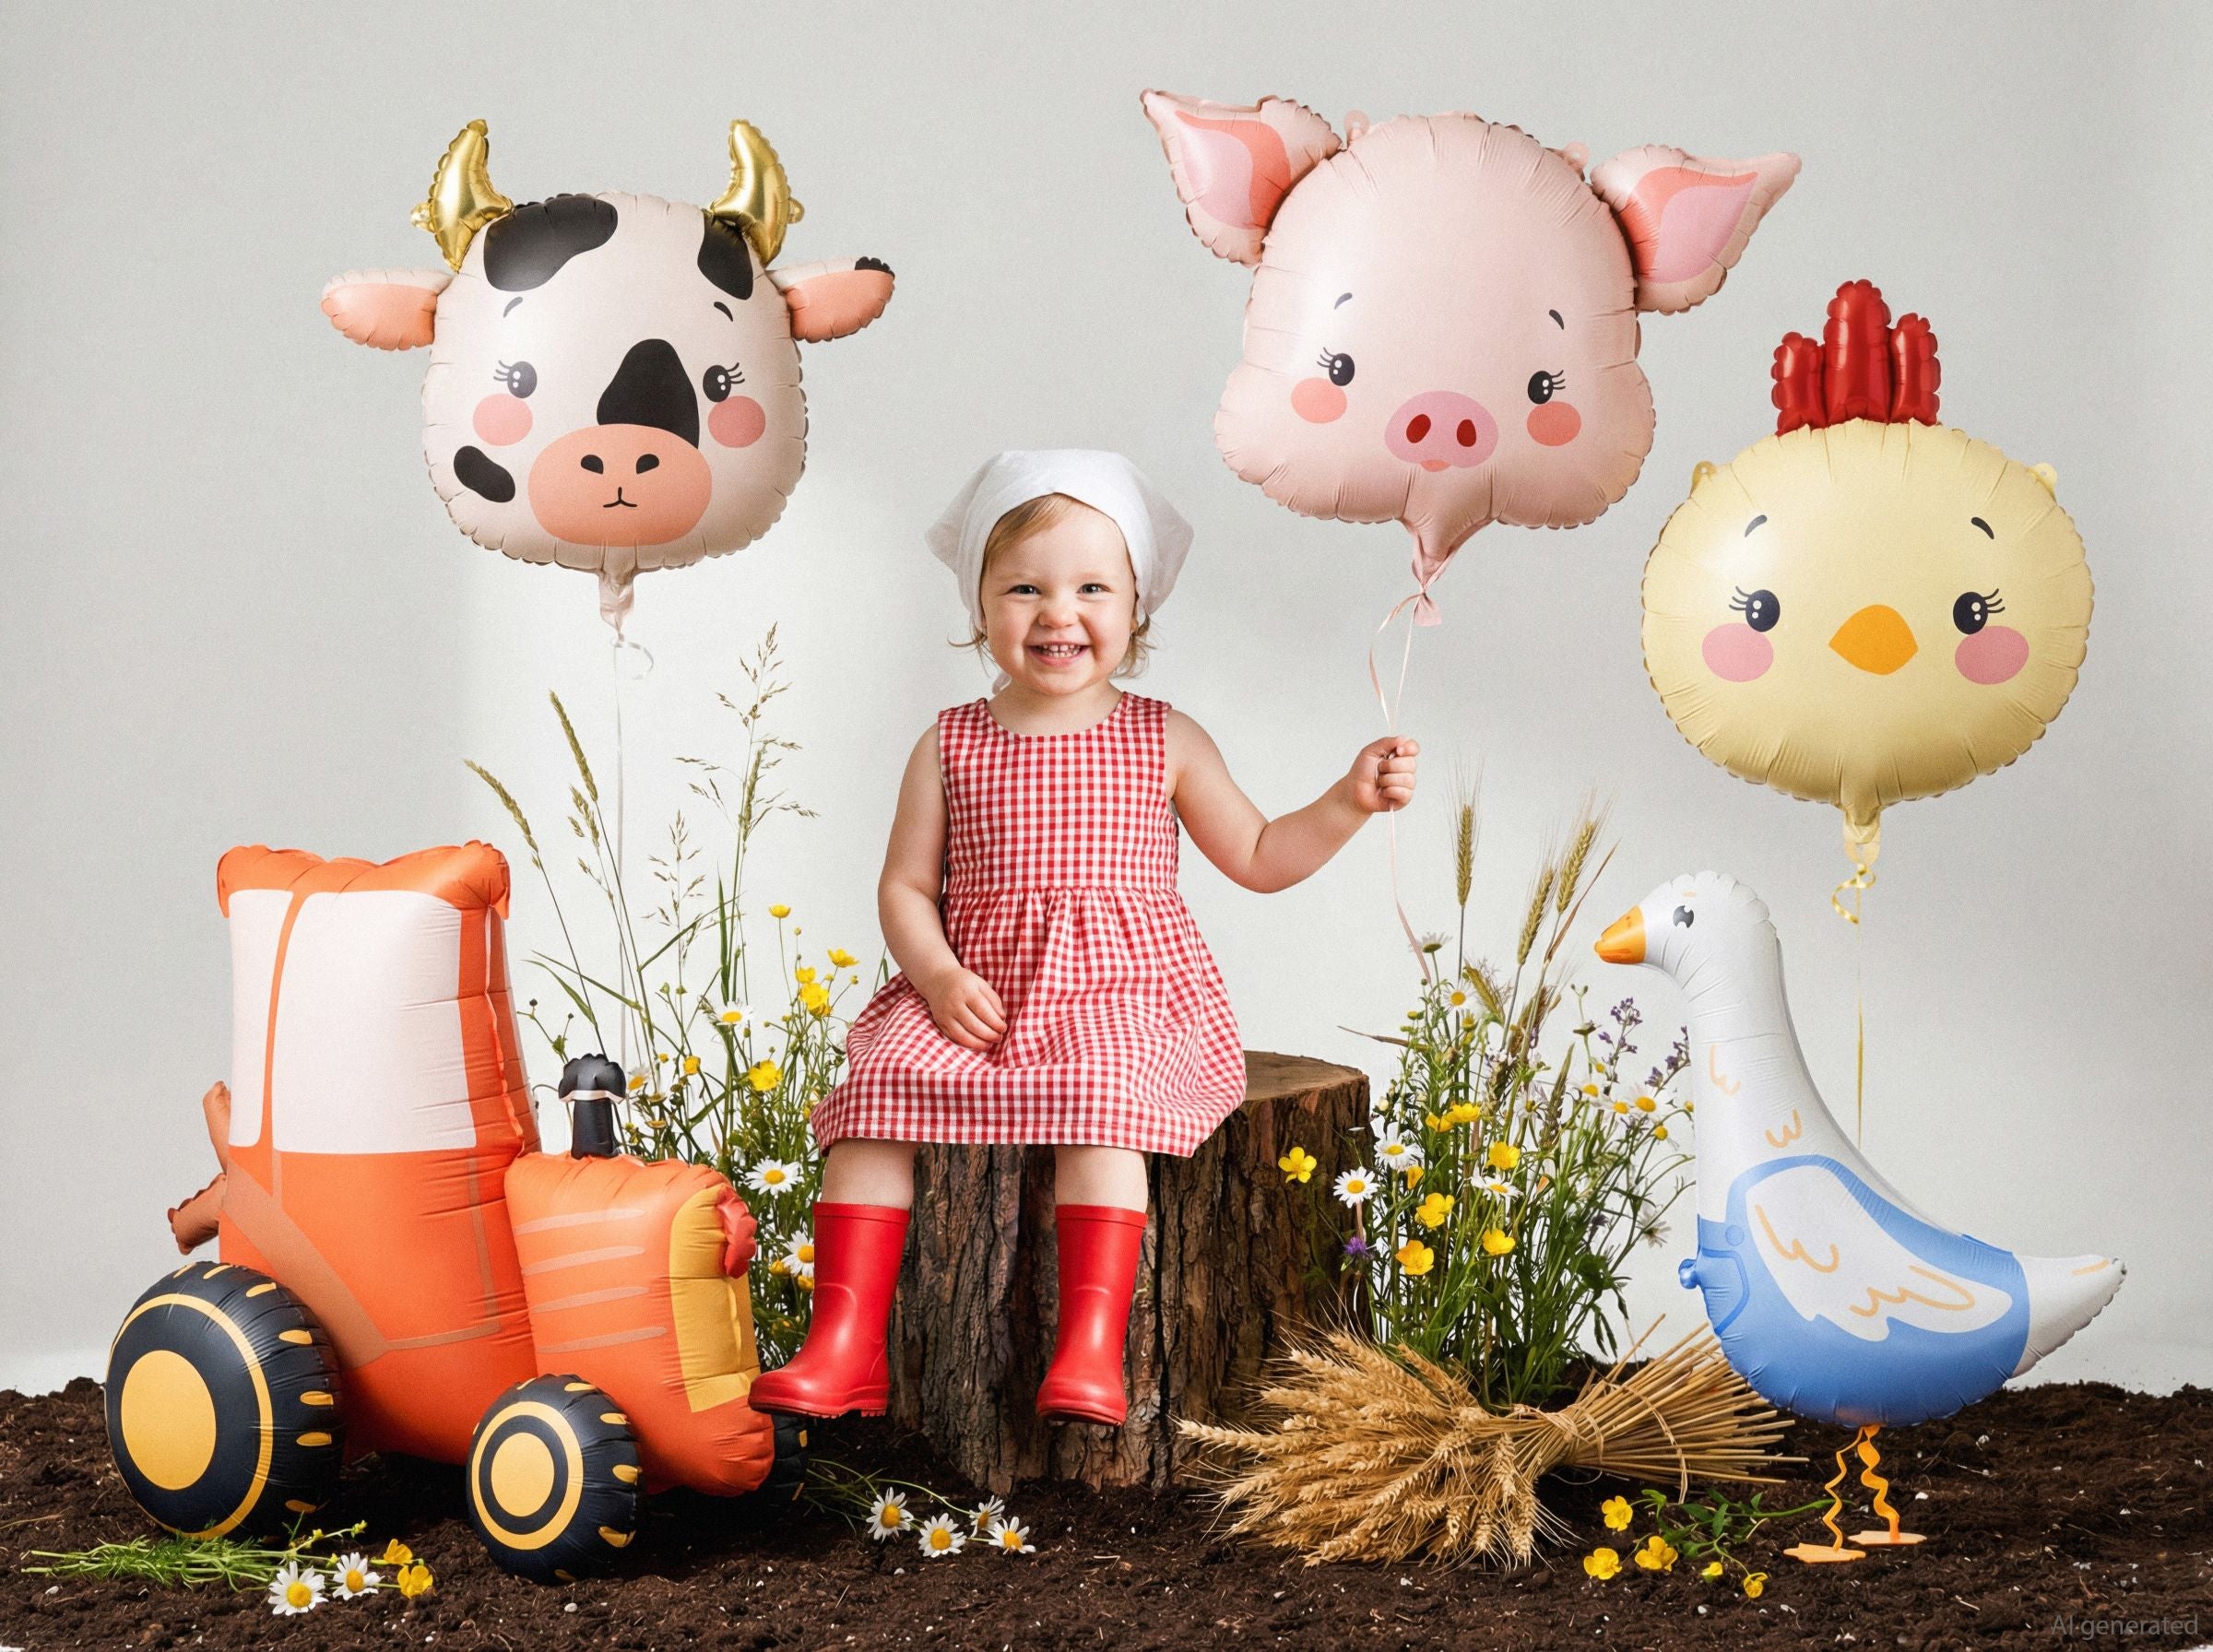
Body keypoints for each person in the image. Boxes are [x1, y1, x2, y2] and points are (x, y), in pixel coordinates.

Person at [748, 450, 1418, 1425]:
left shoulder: (1164, 738)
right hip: (976, 993)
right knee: (872, 1096)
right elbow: (903, 885)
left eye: (1092, 588)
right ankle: (845, 1345)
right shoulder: (952, 741)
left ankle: (1091, 1350)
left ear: (1136, 606)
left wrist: (1350, 800)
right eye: (1024, 587)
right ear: (980, 604)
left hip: (1119, 996)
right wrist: (933, 975)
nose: (1058, 613)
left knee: (1103, 1100)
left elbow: (1263, 853)